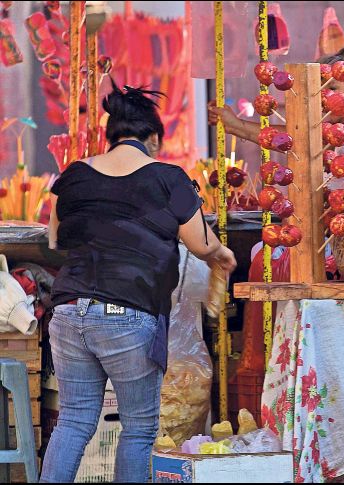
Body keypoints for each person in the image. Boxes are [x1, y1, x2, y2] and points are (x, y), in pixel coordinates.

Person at [41, 82, 237, 483]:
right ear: (154, 139)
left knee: (75, 422)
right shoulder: (167, 178)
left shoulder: (74, 174)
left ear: (111, 136)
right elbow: (199, 243)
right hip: (127, 312)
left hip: (67, 311)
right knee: (139, 429)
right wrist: (221, 255)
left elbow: (54, 238)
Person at [208, 42, 344, 145]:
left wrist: (237, 127)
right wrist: (236, 126)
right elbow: (303, 140)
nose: (323, 97)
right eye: (322, 89)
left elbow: (306, 145)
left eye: (333, 89)